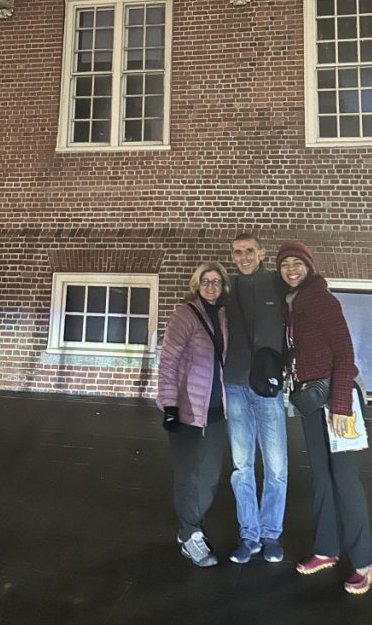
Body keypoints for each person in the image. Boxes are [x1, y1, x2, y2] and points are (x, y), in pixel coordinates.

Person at [277, 241, 372, 596]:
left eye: (297, 263)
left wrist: (340, 406)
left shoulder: (322, 300)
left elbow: (345, 353)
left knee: (345, 480)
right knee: (321, 478)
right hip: (310, 401)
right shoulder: (293, 306)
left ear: (309, 267)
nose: (291, 269)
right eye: (285, 264)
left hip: (337, 401)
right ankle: (327, 549)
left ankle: (364, 563)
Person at [157, 261, 230, 568]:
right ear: (196, 285)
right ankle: (190, 534)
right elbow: (169, 361)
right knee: (188, 475)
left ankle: (190, 526)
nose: (211, 286)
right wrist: (169, 405)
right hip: (187, 410)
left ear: (223, 286)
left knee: (210, 476)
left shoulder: (225, 316)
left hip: (216, 411)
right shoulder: (184, 314)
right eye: (205, 281)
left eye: (216, 281)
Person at [224, 233, 288, 564]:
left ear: (261, 253)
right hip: (234, 383)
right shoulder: (226, 288)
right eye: (237, 252)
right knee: (241, 466)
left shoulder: (278, 284)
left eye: (249, 251)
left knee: (276, 467)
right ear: (232, 257)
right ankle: (249, 534)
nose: (244, 256)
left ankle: (270, 534)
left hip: (267, 386)